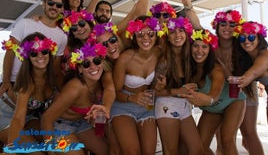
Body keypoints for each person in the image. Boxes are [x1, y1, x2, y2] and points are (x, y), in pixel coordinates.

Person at [179, 29, 246, 155]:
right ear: (190, 48)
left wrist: (207, 99)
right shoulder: (187, 69)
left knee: (227, 140)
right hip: (212, 110)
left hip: (232, 102)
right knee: (199, 147)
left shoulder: (216, 69)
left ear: (210, 50)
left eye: (204, 47)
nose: (199, 51)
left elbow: (215, 94)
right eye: (196, 46)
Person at [211, 10, 264, 155]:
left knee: (248, 133)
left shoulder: (242, 43)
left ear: (237, 27)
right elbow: (196, 25)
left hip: (246, 91)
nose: (227, 27)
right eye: (223, 23)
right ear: (217, 25)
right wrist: (187, 4)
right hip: (223, 94)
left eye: (232, 24)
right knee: (223, 138)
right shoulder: (211, 44)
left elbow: (260, 57)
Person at [41, 43, 109, 155]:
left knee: (106, 150)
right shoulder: (75, 88)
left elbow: (100, 110)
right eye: (86, 64)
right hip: (60, 125)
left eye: (96, 61)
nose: (93, 67)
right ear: (80, 69)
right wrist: (51, 150)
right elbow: (46, 118)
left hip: (81, 122)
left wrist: (99, 131)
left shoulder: (101, 83)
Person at [110, 16, 163, 154]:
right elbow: (114, 92)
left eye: (150, 33)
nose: (146, 38)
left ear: (156, 35)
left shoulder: (159, 52)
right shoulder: (125, 58)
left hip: (147, 106)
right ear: (134, 36)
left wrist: (159, 87)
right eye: (140, 34)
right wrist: (132, 98)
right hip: (123, 105)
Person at [0, 0, 67, 97]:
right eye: (50, 3)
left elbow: (55, 67)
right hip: (15, 83)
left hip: (40, 89)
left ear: (62, 9)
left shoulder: (62, 36)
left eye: (58, 5)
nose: (54, 7)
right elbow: (10, 52)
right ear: (43, 4)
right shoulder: (25, 23)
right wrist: (6, 81)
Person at [152, 17, 204, 155]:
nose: (177, 35)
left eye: (181, 31)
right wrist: (179, 91)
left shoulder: (190, 57)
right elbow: (154, 92)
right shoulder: (163, 61)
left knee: (197, 150)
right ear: (167, 37)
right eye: (172, 32)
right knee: (171, 151)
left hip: (185, 107)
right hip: (166, 106)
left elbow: (204, 36)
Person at [0, 33, 57, 150]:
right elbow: (18, 119)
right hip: (5, 115)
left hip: (30, 116)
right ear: (28, 57)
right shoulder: (27, 83)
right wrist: (11, 150)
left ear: (49, 53)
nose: (40, 56)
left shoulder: (52, 78)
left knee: (53, 146)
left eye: (44, 51)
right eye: (34, 53)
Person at [235, 21, 268, 148]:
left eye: (251, 37)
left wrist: (238, 81)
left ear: (259, 38)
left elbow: (252, 74)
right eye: (242, 37)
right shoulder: (247, 58)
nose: (247, 41)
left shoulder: (266, 56)